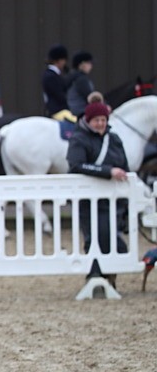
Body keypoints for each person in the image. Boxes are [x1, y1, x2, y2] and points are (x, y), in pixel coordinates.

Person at [66, 98, 129, 256]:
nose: (100, 123)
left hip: (114, 199)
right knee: (94, 238)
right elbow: (77, 165)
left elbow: (124, 165)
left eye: (103, 119)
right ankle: (95, 273)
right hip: (89, 200)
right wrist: (108, 171)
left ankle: (108, 275)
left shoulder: (114, 139)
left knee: (114, 240)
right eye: (96, 120)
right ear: (88, 121)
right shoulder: (78, 139)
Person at [42, 44, 72, 120]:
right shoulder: (51, 76)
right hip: (57, 111)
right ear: (59, 60)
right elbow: (60, 96)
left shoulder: (54, 75)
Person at [65, 51, 95, 117]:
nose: (91, 66)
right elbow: (90, 97)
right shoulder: (81, 79)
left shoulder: (71, 76)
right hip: (81, 112)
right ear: (81, 64)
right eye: (89, 63)